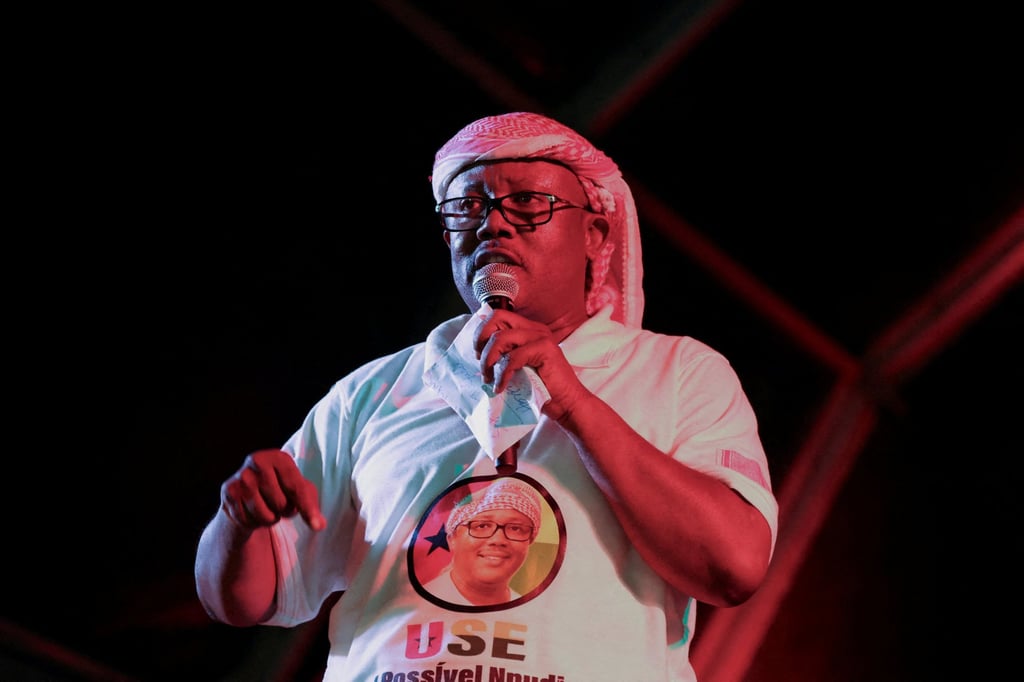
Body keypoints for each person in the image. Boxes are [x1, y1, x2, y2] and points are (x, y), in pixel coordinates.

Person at [195, 111, 778, 681]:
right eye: (467, 207)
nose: (493, 225)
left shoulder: (675, 371)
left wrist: (573, 402)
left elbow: (734, 567)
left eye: (528, 203)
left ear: (594, 234)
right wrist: (237, 519)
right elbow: (244, 600)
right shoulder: (374, 392)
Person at [423, 477, 544, 606]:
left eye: (515, 528)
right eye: (482, 526)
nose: (498, 540)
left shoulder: (536, 614)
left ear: (529, 541)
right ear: (452, 538)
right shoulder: (415, 606)